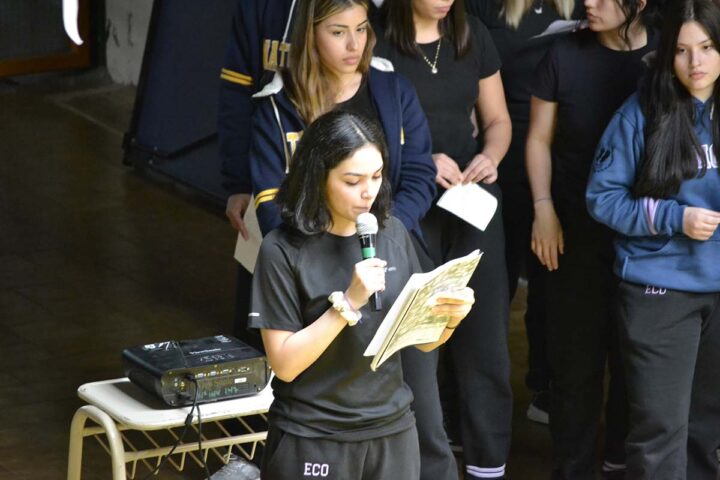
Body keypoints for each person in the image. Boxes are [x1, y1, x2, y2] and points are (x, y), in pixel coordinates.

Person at [247, 1, 460, 478]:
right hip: (316, 437)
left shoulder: (393, 233)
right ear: (319, 177)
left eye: (378, 176)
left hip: (391, 432)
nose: (370, 192)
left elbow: (419, 343)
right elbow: (283, 365)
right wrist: (348, 302)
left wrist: (446, 320)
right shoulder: (282, 251)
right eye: (352, 181)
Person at [374, 1, 513, 478]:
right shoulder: (375, 37)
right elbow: (361, 127)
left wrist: (491, 157)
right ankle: (419, 462)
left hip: (471, 202)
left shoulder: (471, 33)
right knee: (416, 341)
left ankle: (487, 465)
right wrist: (420, 158)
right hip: (409, 201)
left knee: (485, 334)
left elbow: (497, 120)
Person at [586, 0, 720, 477]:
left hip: (717, 291)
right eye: (682, 51)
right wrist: (674, 218)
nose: (695, 62)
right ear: (667, 55)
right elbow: (602, 199)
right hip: (659, 290)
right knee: (660, 433)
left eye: (706, 47)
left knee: (710, 431)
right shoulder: (640, 113)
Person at [525, 0, 658, 476]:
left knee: (635, 363)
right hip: (572, 231)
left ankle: (621, 460)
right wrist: (544, 209)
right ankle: (573, 467)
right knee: (574, 365)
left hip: (647, 236)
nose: (589, 3)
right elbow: (539, 138)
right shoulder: (565, 54)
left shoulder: (667, 51)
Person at [465, 0, 584, 425]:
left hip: (565, 154)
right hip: (498, 156)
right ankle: (475, 406)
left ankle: (546, 386)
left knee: (554, 281)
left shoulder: (583, 6)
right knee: (493, 284)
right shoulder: (483, 7)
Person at [218, 0, 298, 353]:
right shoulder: (259, 7)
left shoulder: (360, 11)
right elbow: (237, 91)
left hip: (336, 176)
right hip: (267, 174)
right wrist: (237, 181)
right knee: (256, 324)